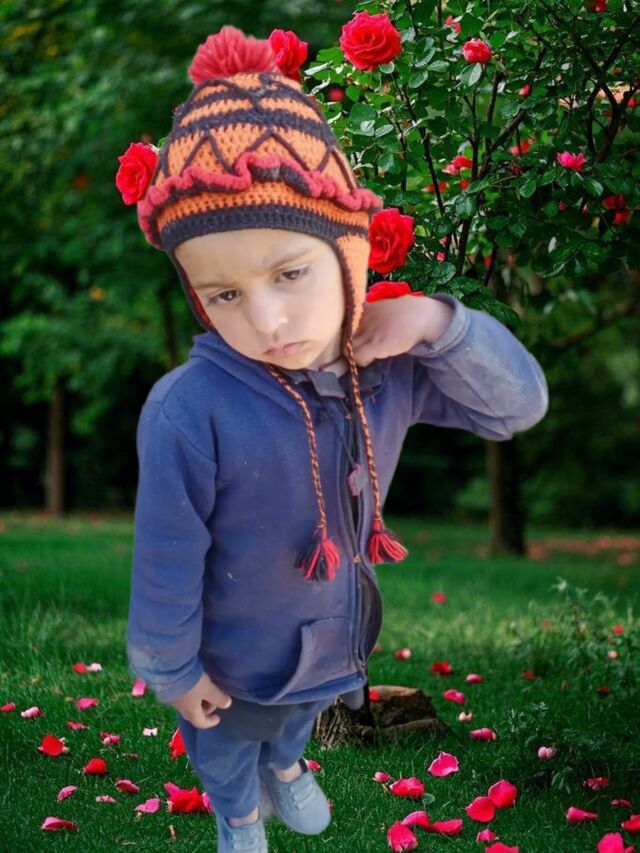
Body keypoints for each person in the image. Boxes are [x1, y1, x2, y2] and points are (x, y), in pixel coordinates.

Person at [116, 25, 549, 853]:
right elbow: (166, 551)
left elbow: (515, 408)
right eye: (224, 294)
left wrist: (438, 323)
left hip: (332, 640)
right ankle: (240, 815)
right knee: (227, 748)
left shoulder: (384, 367)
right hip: (230, 656)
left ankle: (289, 766)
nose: (267, 319)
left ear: (348, 252)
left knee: (295, 720)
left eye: (290, 273)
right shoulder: (189, 407)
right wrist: (172, 667)